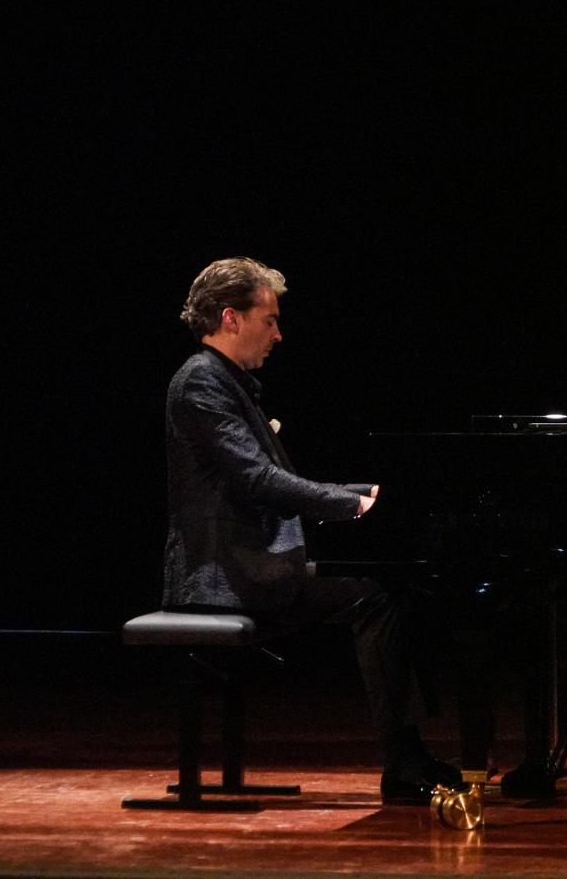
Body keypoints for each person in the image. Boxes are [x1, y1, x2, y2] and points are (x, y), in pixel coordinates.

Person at [162, 256, 457, 804]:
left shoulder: (227, 381)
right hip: (226, 576)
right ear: (231, 318)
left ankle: (409, 755)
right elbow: (258, 480)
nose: (278, 334)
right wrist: (353, 504)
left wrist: (364, 491)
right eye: (269, 319)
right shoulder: (202, 381)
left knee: (389, 590)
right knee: (376, 596)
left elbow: (279, 478)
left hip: (249, 565)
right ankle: (403, 762)